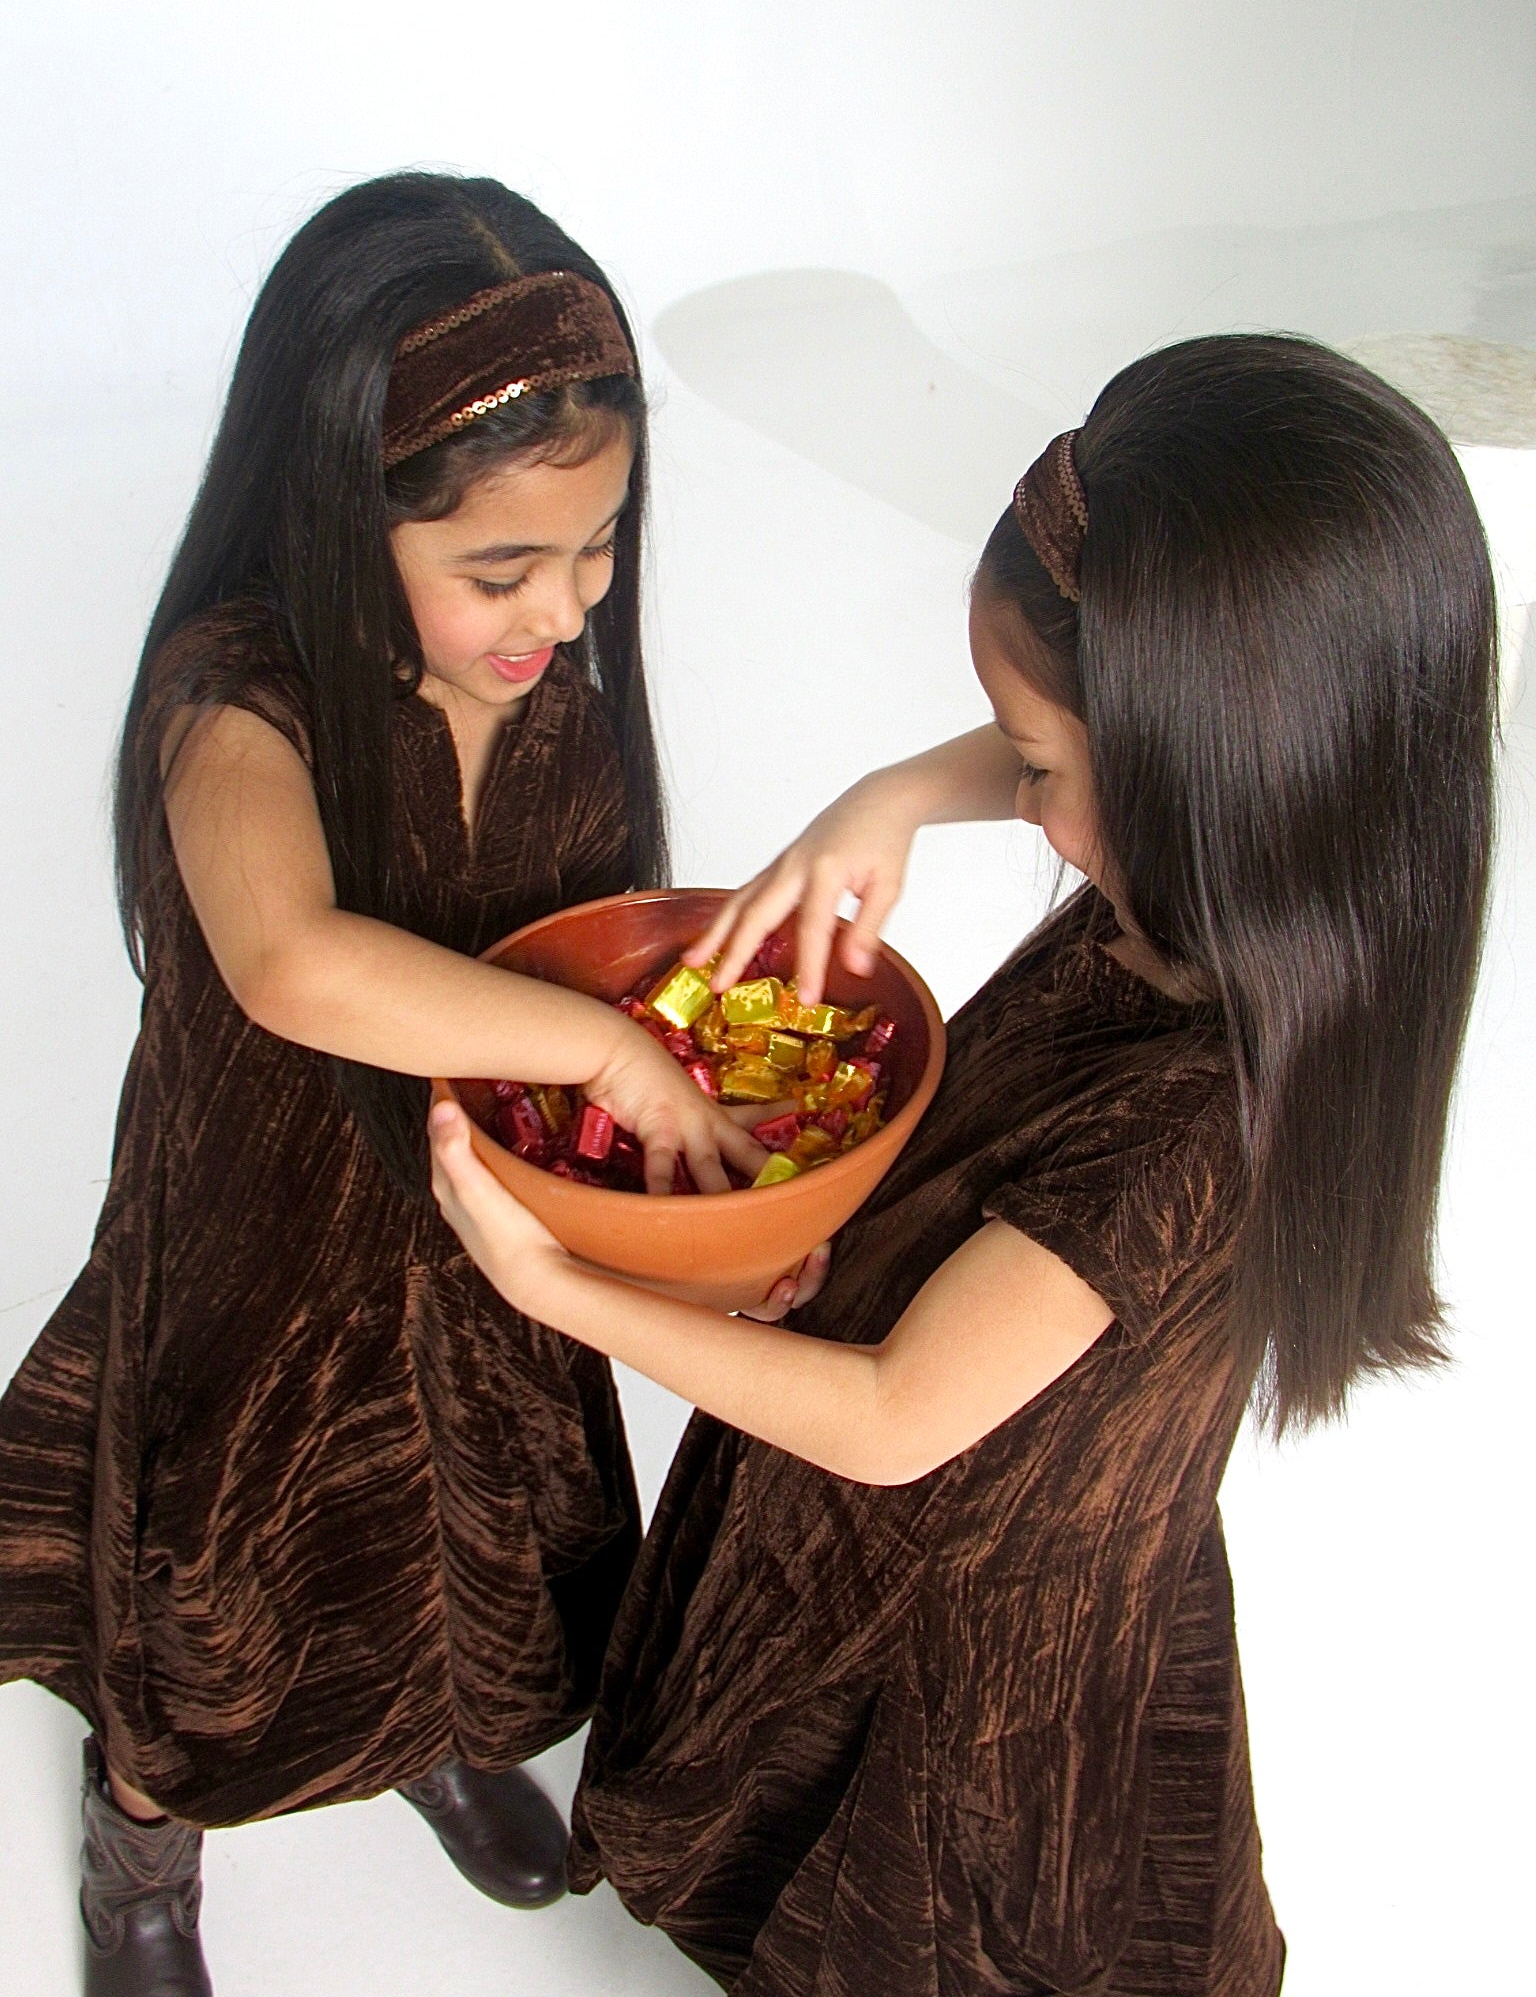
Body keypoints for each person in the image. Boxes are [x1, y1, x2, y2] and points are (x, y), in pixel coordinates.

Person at [428, 334, 1498, 1996]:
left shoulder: (1187, 1136)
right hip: (956, 1493)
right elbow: (1066, 766)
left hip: (962, 1607)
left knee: (898, 1914)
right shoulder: (1221, 909)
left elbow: (892, 1417)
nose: (1026, 794)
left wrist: (553, 1282)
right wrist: (899, 795)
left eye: (1042, 769)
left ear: (1210, 779)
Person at [0, 171, 765, 1997]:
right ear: (340, 517)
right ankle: (143, 1843)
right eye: (499, 570)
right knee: (225, 1553)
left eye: (596, 553)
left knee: (478, 1520)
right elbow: (292, 961)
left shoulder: (562, 695)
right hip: (267, 1243)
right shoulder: (236, 698)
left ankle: (436, 1722)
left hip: (477, 1226)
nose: (564, 612)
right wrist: (596, 1047)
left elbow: (589, 942)